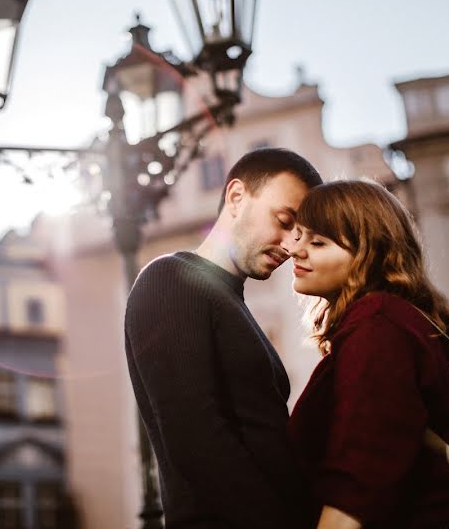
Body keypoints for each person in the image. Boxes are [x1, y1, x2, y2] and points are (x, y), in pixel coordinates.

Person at [286, 179, 449, 529]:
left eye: (318, 242)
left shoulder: (378, 324)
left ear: (368, 252)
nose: (296, 250)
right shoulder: (387, 319)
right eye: (299, 236)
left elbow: (359, 478)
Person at [125, 148, 323, 528]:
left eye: (299, 234)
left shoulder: (230, 300)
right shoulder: (171, 279)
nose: (290, 245)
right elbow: (196, 439)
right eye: (284, 220)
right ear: (236, 197)